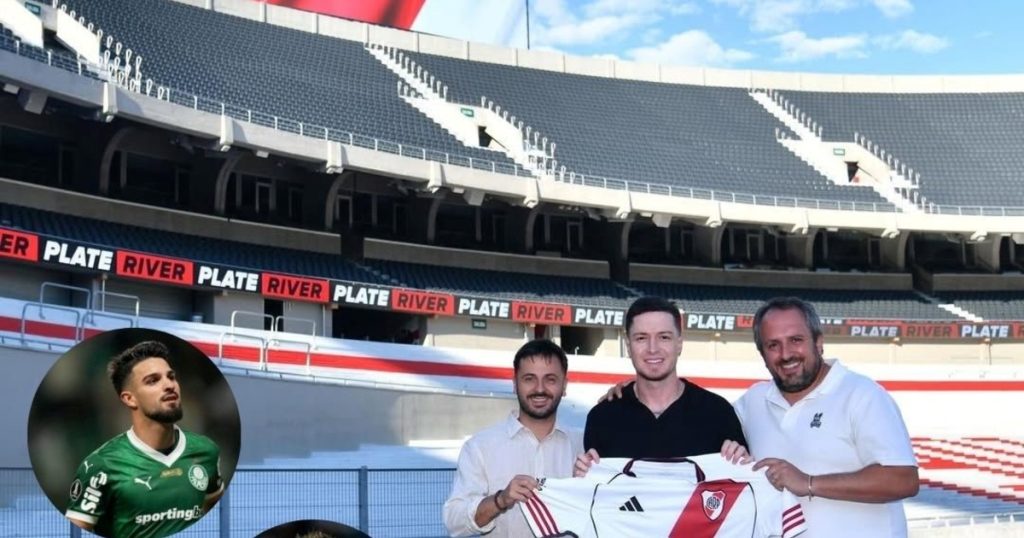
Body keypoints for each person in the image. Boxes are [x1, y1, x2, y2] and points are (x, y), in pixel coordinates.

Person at [737, 297, 919, 537]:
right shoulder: (753, 401)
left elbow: (903, 480)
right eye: (773, 345)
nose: (786, 354)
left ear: (819, 342)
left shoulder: (862, 395)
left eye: (796, 340)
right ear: (762, 354)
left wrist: (809, 483)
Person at [65, 341, 223, 538]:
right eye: (153, 380)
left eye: (171, 376)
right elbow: (74, 530)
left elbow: (214, 505)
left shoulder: (205, 451)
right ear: (129, 399)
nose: (169, 385)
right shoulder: (101, 465)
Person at [574, 296, 747, 476]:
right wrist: (582, 479)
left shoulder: (718, 413)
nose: (653, 348)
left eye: (664, 337)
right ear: (628, 346)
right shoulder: (602, 418)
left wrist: (743, 468)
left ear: (679, 344)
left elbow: (742, 493)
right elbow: (595, 496)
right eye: (641, 338)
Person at [443, 339, 583, 537]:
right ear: (515, 384)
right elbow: (454, 522)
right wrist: (501, 500)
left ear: (564, 385)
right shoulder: (480, 447)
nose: (540, 389)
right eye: (529, 379)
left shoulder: (583, 446)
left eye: (550, 379)